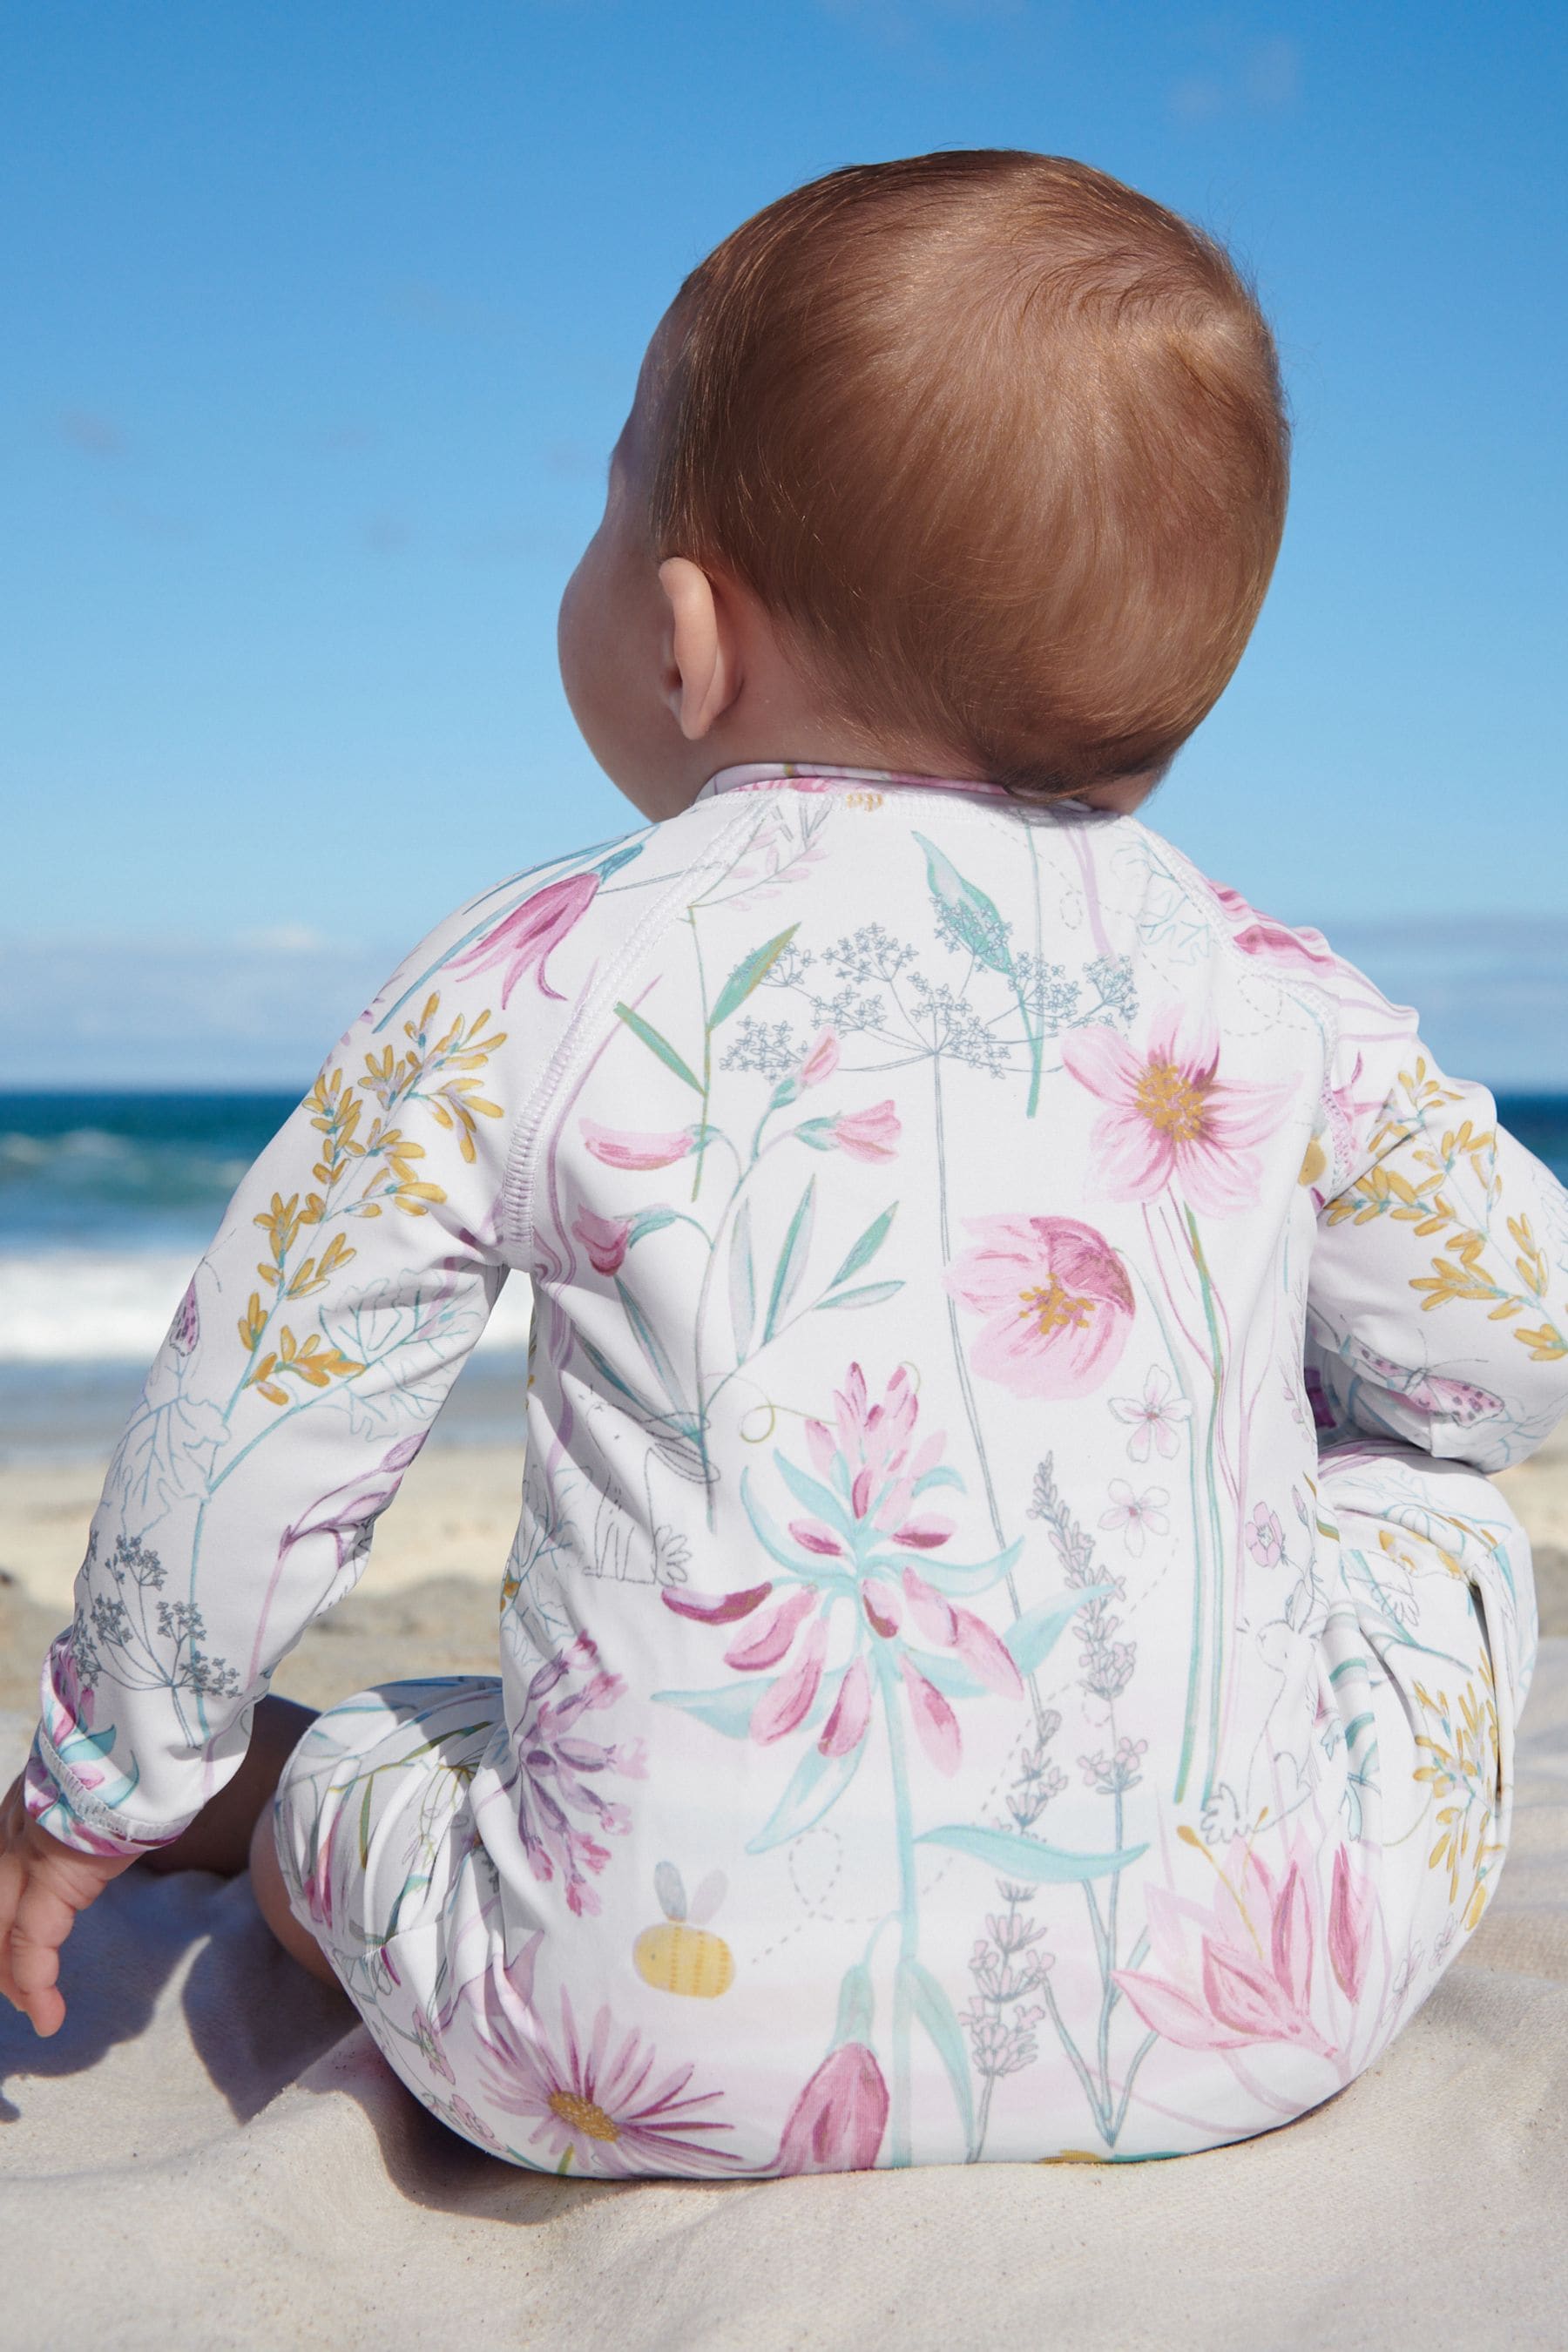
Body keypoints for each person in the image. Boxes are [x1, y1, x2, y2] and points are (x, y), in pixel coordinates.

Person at [3, 151, 1564, 2173]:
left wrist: (104, 1775)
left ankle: (270, 1827)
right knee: (1432, 1492)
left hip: (599, 2043)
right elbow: (1518, 1342)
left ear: (685, 633)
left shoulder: (539, 971)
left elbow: (253, 1417)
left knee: (377, 1762)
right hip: (1268, 2000)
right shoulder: (1272, 992)